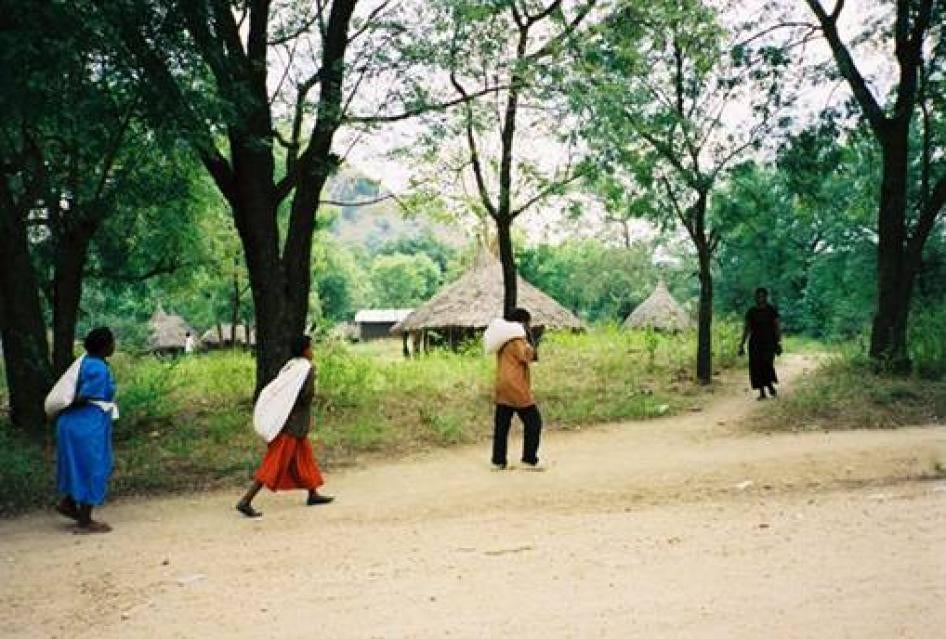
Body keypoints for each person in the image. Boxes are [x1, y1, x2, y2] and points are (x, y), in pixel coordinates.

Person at [236, 335, 333, 517]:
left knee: (305, 459)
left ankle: (313, 493)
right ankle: (246, 500)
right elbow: (306, 396)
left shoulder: (291, 367)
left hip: (288, 422)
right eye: (310, 348)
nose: (312, 351)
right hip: (291, 426)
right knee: (273, 463)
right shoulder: (306, 369)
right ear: (305, 350)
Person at [55, 327, 118, 534]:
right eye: (111, 342)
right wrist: (69, 405)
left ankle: (68, 502)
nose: (114, 345)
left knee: (78, 466)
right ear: (104, 346)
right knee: (93, 467)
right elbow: (85, 396)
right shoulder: (99, 368)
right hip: (86, 424)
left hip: (71, 424)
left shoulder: (85, 362)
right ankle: (85, 520)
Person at [492, 308, 544, 471]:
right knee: (534, 422)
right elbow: (528, 356)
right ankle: (529, 459)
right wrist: (532, 340)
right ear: (522, 322)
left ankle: (498, 460)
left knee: (502, 425)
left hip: (502, 385)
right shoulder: (516, 339)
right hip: (516, 386)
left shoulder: (502, 339)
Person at [738, 287, 782, 400]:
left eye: (762, 296)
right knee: (756, 367)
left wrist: (778, 342)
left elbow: (777, 326)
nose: (760, 298)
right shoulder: (751, 311)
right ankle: (762, 392)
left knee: (767, 364)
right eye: (758, 296)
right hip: (755, 343)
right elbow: (747, 328)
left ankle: (770, 385)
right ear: (755, 298)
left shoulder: (771, 310)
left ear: (766, 297)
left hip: (769, 342)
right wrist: (742, 344)